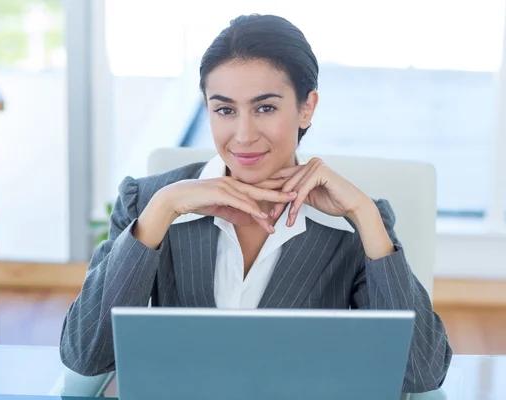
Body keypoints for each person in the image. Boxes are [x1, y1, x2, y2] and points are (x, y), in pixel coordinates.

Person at [59, 14, 452, 393]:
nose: (243, 136)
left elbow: (420, 374)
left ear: (306, 107)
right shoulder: (148, 203)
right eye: (225, 110)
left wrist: (365, 217)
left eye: (265, 108)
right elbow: (86, 356)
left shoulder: (358, 222)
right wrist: (162, 210)